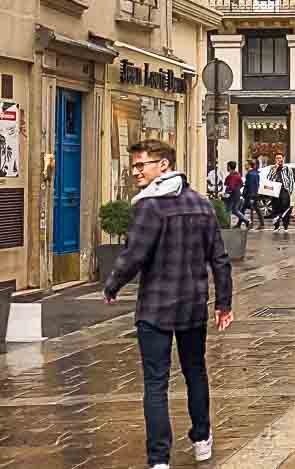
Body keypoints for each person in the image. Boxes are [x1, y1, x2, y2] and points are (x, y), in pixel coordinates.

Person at [103, 139, 232, 469]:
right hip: (192, 306)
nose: (136, 172)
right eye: (133, 166)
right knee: (195, 372)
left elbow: (134, 255)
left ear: (164, 165)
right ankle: (202, 438)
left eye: (141, 165)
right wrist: (223, 303)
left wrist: (113, 285)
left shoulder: (150, 206)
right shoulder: (203, 204)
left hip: (156, 308)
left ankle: (159, 458)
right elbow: (220, 259)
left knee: (156, 383)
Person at [269, 153, 295, 230]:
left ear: (283, 159)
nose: (279, 159)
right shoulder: (272, 168)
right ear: (275, 159)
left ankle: (285, 226)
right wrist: (275, 169)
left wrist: (289, 191)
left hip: (284, 190)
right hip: (275, 191)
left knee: (285, 208)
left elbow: (291, 180)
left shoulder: (287, 168)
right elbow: (269, 179)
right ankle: (276, 226)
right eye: (277, 158)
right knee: (275, 208)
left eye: (280, 158)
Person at [238, 162, 262, 229]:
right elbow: (256, 185)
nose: (245, 166)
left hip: (250, 195)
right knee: (253, 209)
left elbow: (250, 186)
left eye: (246, 164)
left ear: (249, 165)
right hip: (253, 194)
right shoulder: (256, 173)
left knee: (245, 209)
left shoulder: (250, 174)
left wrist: (248, 195)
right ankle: (241, 223)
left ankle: (248, 224)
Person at [224, 161, 243, 226]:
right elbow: (241, 184)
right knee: (234, 210)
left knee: (227, 209)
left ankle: (226, 223)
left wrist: (227, 193)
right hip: (237, 194)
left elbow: (230, 186)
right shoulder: (237, 175)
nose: (227, 167)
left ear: (229, 167)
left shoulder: (232, 176)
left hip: (232, 195)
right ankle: (246, 220)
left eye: (227, 166)